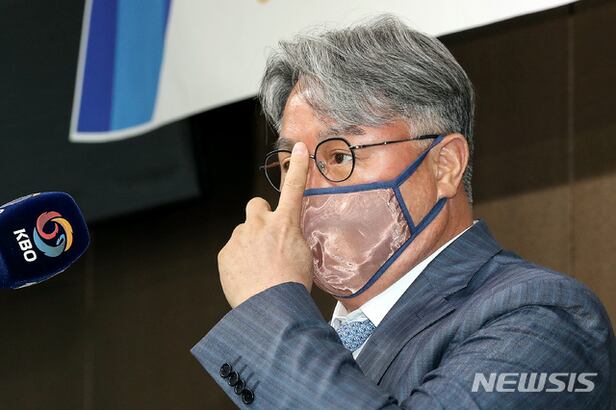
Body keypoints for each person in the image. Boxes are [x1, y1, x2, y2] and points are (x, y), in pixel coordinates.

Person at [191, 15, 615, 409]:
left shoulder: (544, 316)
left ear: (444, 165)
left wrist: (270, 304)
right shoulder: (318, 342)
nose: (304, 190)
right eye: (289, 164)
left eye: (338, 156)